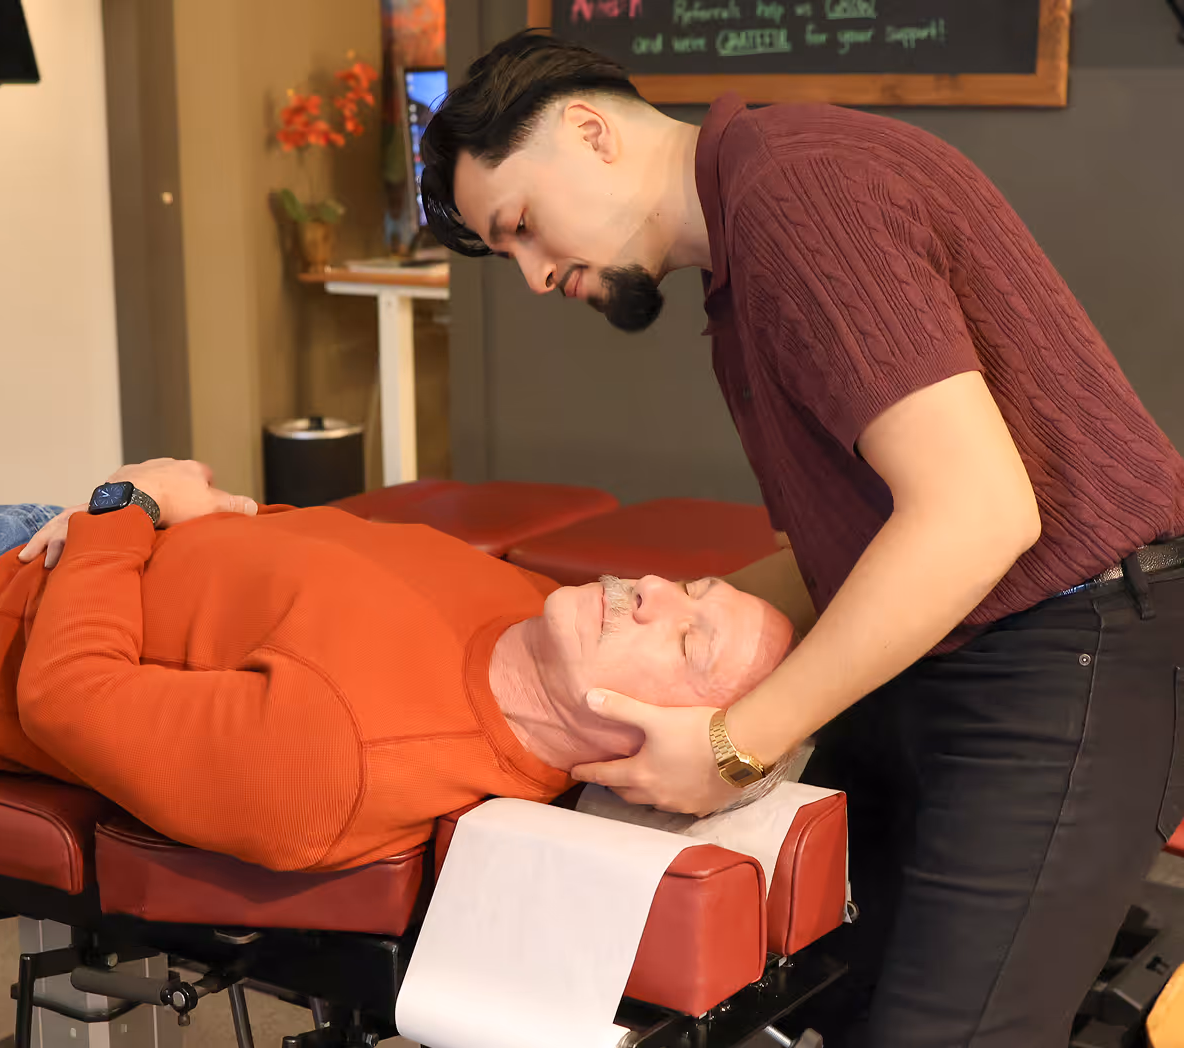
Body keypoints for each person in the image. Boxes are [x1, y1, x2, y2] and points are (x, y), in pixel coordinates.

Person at [419, 30, 1184, 1048]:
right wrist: (642, 617)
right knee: (822, 992)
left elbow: (980, 515)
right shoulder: (748, 247)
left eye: (521, 225)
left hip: (1076, 642)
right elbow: (850, 547)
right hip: (971, 640)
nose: (532, 273)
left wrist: (734, 747)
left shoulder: (797, 196)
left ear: (590, 132)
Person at [0, 458, 792, 873]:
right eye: (692, 589)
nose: (653, 590)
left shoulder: (340, 761)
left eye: (688, 641)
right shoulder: (535, 608)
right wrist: (206, 511)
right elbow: (318, 551)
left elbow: (67, 695)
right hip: (40, 540)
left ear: (654, 751)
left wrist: (124, 508)